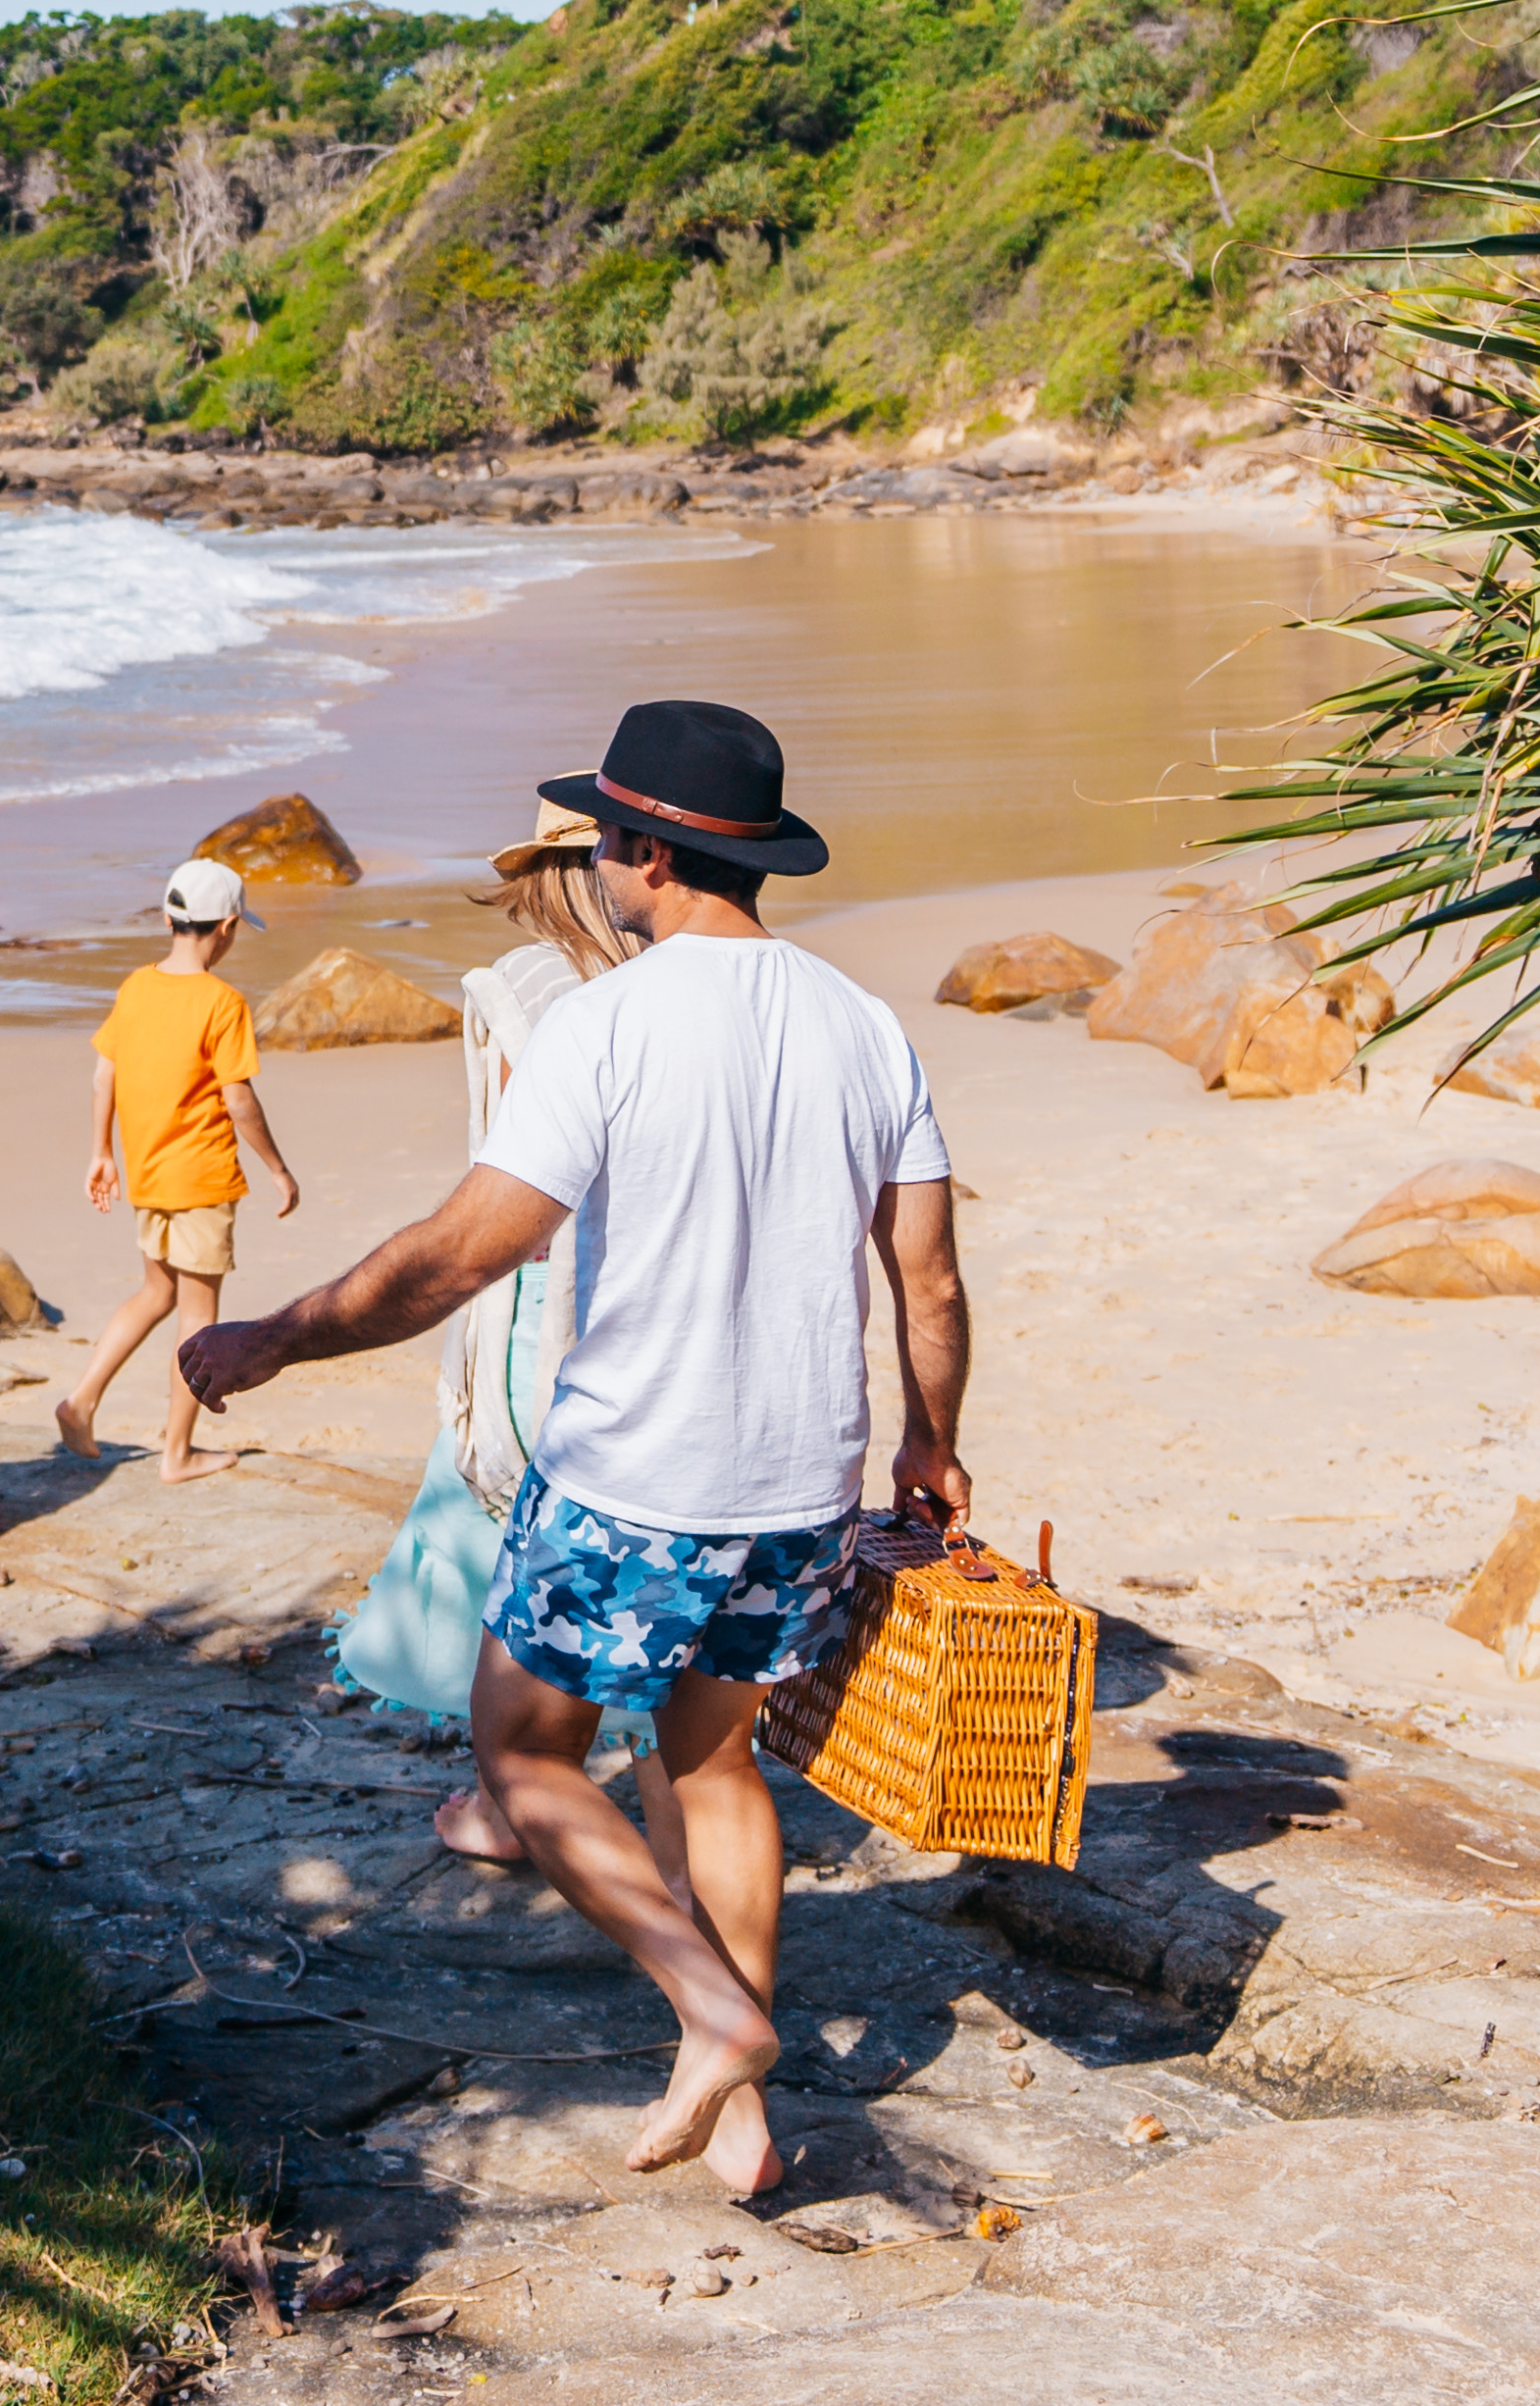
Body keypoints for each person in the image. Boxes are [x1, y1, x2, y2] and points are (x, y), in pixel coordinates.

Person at [183, 701, 965, 2199]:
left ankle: (713, 2004)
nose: (599, 862)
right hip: (801, 1482)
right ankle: (738, 2117)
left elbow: (463, 1253)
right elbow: (925, 1276)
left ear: (642, 853)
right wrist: (929, 1442)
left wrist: (276, 1333)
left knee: (523, 1752)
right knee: (717, 1762)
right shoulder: (864, 1022)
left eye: (605, 836)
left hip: (631, 1480)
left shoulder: (605, 1021)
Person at [330, 808, 642, 1865]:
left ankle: (510, 1801)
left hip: (534, 1298)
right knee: (643, 1583)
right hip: (644, 1303)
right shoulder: (665, 986)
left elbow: (512, 1186)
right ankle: (627, 1820)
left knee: (511, 1538)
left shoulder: (532, 988)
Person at [52, 854, 298, 1477]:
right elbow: (239, 1099)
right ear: (229, 926)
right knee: (197, 1317)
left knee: (154, 1291)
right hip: (203, 1178)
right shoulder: (223, 1002)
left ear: (169, 917)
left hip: (150, 1174)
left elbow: (102, 1072)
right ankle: (177, 1453)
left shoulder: (137, 986)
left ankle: (79, 1403)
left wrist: (101, 1152)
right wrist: (277, 1167)